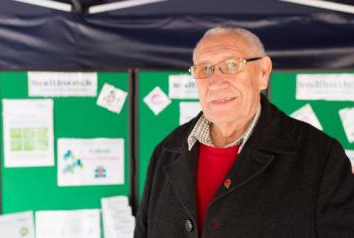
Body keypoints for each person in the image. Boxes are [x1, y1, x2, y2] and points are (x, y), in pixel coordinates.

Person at [134, 27, 354, 238]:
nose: (216, 82)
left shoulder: (321, 157)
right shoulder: (166, 152)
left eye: (231, 65)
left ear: (263, 73)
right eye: (205, 69)